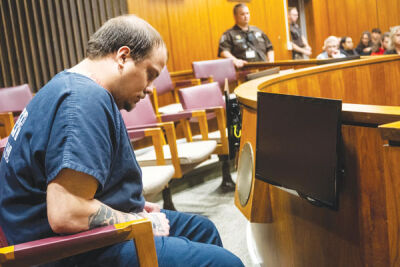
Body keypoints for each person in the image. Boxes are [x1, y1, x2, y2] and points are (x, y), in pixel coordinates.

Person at [0, 15, 244, 267]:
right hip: (64, 250)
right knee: (225, 263)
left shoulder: (67, 85)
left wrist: (130, 209)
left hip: (68, 234)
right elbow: (67, 213)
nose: (150, 88)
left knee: (202, 229)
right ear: (123, 56)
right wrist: (136, 220)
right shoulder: (84, 101)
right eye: (150, 74)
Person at [218, 3, 274, 68]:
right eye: (242, 14)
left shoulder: (258, 30)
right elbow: (223, 51)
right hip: (244, 70)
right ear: (235, 16)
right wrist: (235, 60)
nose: (246, 16)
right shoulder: (229, 34)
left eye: (247, 13)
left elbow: (269, 48)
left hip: (263, 68)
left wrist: (271, 61)